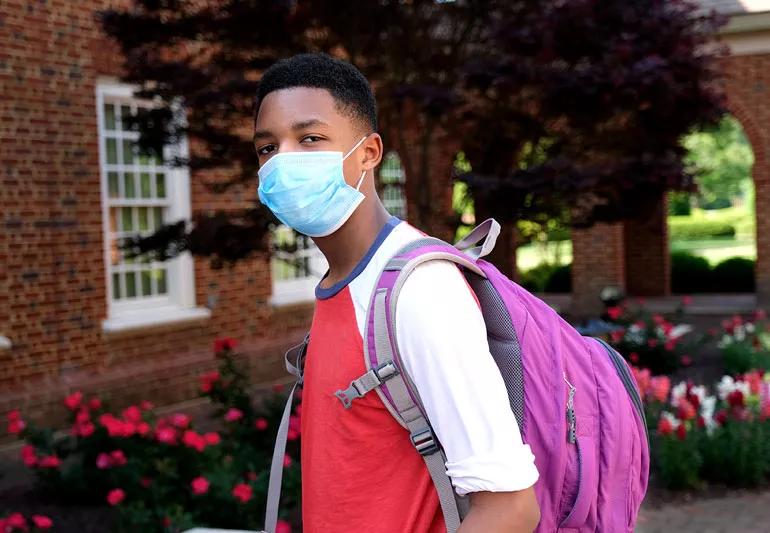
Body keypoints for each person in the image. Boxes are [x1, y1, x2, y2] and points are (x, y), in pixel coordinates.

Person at [253, 53, 540, 533]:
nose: (283, 162)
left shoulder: (420, 291)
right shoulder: (338, 281)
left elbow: (509, 508)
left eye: (310, 139)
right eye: (267, 148)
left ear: (368, 152)